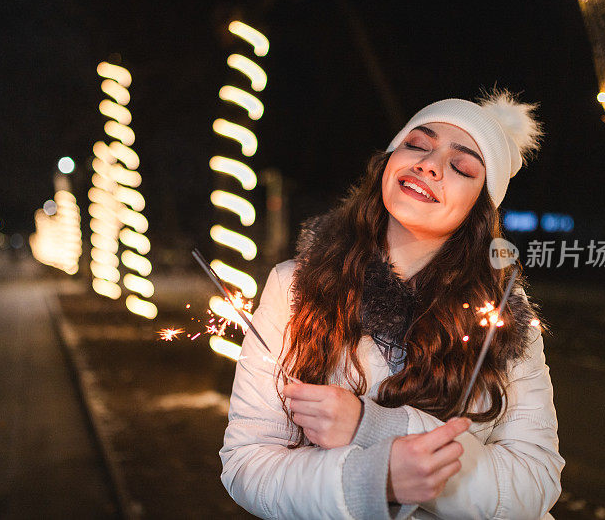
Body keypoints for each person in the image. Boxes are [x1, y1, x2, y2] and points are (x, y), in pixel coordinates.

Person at [219, 88, 565, 520]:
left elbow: (536, 482)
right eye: (417, 144)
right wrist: (373, 478)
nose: (429, 165)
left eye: (461, 167)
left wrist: (375, 428)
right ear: (387, 161)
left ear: (480, 207)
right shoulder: (295, 287)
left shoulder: (503, 319)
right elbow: (248, 464)